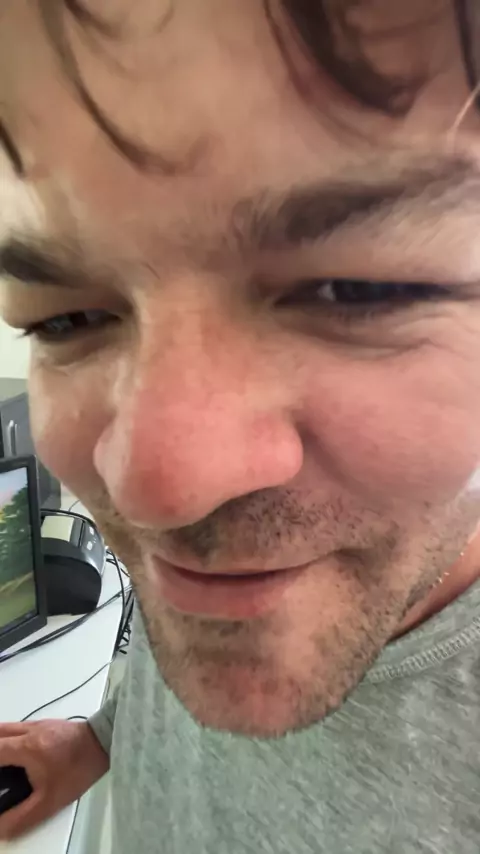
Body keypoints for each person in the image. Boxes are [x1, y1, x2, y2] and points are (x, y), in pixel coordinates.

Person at [0, 0, 480, 851]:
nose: (154, 492)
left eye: (354, 294)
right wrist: (99, 741)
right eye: (67, 319)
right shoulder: (236, 573)